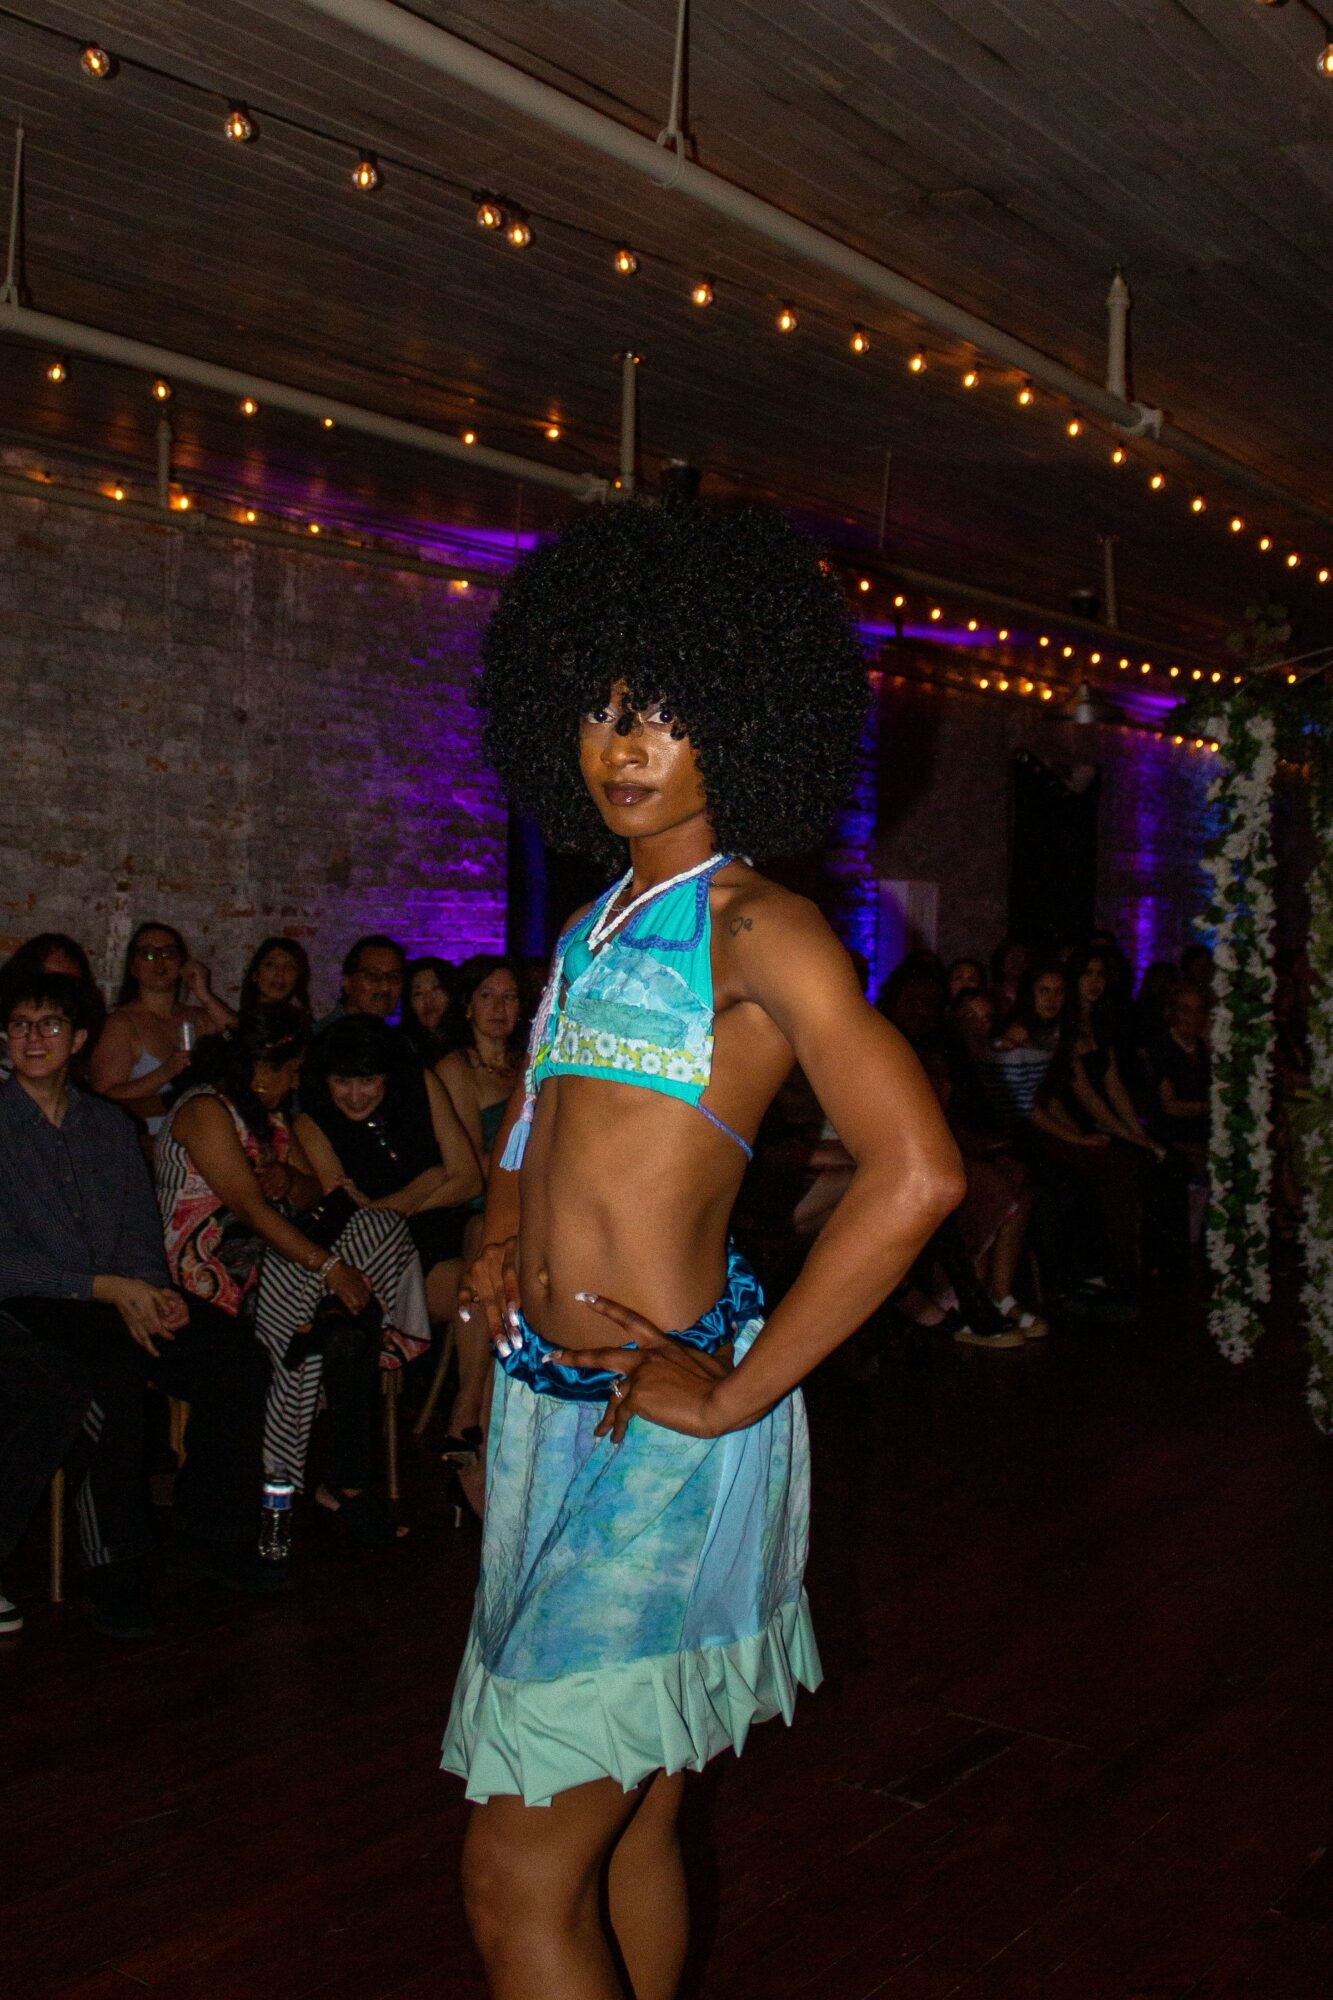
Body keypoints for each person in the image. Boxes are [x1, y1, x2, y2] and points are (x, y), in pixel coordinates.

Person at [441, 501, 964, 1999]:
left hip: (656, 1437)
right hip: (553, 1416)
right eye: (603, 705)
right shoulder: (597, 923)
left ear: (743, 715)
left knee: (513, 1879)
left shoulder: (759, 929)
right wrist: (497, 1231)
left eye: (664, 708)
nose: (624, 742)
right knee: (641, 1813)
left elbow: (918, 1173)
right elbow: (537, 1116)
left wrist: (735, 1396)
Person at [0, 971, 274, 1635]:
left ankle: (210, 1533)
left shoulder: (106, 1124)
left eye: (51, 1025)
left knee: (235, 1357)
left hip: (118, 1293)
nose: (35, 1039)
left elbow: (137, 1228)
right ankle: (114, 1566)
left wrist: (153, 1292)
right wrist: (107, 1290)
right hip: (32, 1301)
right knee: (110, 1380)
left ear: (79, 1039)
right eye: (21, 1025)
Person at [157, 1009, 429, 1544]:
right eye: (291, 1070)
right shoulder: (207, 1110)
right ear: (263, 1070)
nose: (297, 1081)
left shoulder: (272, 1117)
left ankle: (289, 1477)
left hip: (274, 1270)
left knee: (380, 1224)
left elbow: (313, 1195)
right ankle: (315, 1485)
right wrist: (331, 1269)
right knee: (330, 1327)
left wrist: (289, 1178)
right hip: (207, 1277)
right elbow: (252, 1211)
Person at [295, 1016, 481, 1326]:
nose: (355, 1096)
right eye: (342, 1081)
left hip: (449, 1226)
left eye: (367, 1080)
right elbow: (356, 1222)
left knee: (487, 1242)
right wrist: (429, 1181)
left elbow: (471, 1180)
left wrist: (396, 1207)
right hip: (389, 1256)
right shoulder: (311, 1124)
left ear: (387, 1074)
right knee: (474, 1298)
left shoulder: (421, 1085)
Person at [90, 921, 236, 1143]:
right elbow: (103, 1094)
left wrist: (204, 994)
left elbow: (241, 1038)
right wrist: (165, 1073)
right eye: (147, 954)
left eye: (168, 953)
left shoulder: (198, 1016)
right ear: (133, 967)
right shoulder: (121, 1024)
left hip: (204, 1142)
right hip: (148, 1145)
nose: (158, 961)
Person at [0, 932, 107, 1081]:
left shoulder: (88, 1028)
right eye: (51, 983)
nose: (33, 1036)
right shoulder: (10, 1035)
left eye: (70, 986)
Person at [315, 935, 406, 1030]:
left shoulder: (394, 1040)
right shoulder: (321, 1038)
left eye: (394, 977)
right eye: (373, 976)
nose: (385, 987)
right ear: (348, 983)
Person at [402, 955, 457, 1067]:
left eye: (436, 988)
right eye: (418, 993)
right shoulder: (402, 1045)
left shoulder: (470, 1044)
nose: (428, 1000)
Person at [239, 936, 313, 1019]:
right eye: (271, 965)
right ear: (255, 974)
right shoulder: (236, 1026)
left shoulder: (304, 1024)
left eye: (289, 967)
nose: (280, 972)